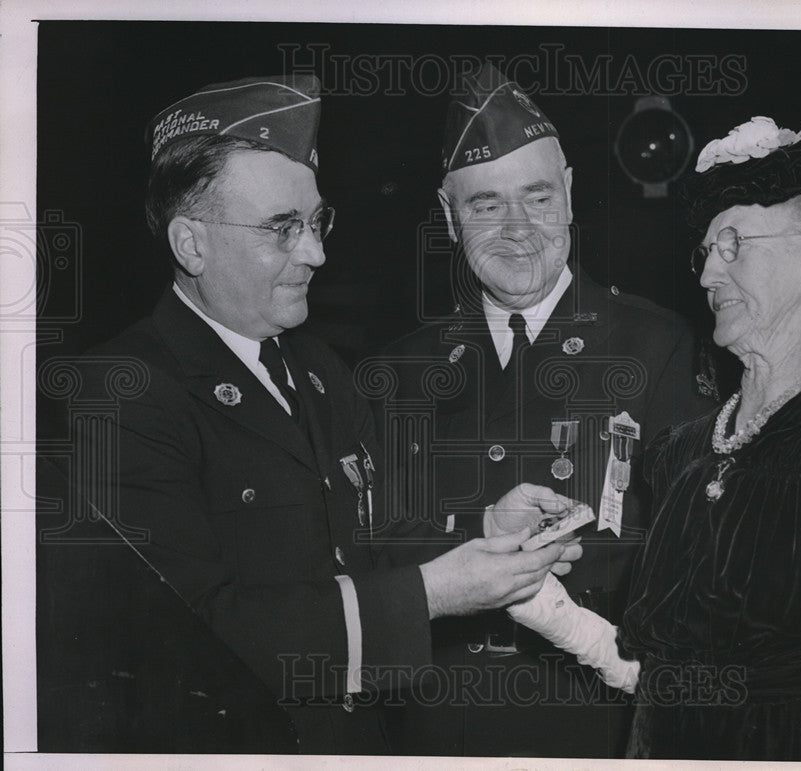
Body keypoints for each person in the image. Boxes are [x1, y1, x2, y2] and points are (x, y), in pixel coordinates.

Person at [71, 74, 581, 754]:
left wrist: (485, 535)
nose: (315, 253)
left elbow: (365, 536)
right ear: (191, 244)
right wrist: (430, 592)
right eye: (283, 229)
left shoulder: (316, 370)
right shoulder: (125, 393)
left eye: (316, 223)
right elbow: (193, 632)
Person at [503, 108, 801, 762]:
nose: (707, 275)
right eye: (706, 251)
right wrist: (534, 592)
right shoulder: (680, 452)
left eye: (735, 246)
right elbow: (652, 669)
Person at [364, 64, 710, 758]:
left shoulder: (656, 344)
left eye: (537, 196)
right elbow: (365, 553)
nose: (517, 229)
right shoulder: (394, 373)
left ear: (572, 193)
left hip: (597, 723)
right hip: (434, 729)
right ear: (447, 211)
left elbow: (698, 559)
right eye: (487, 204)